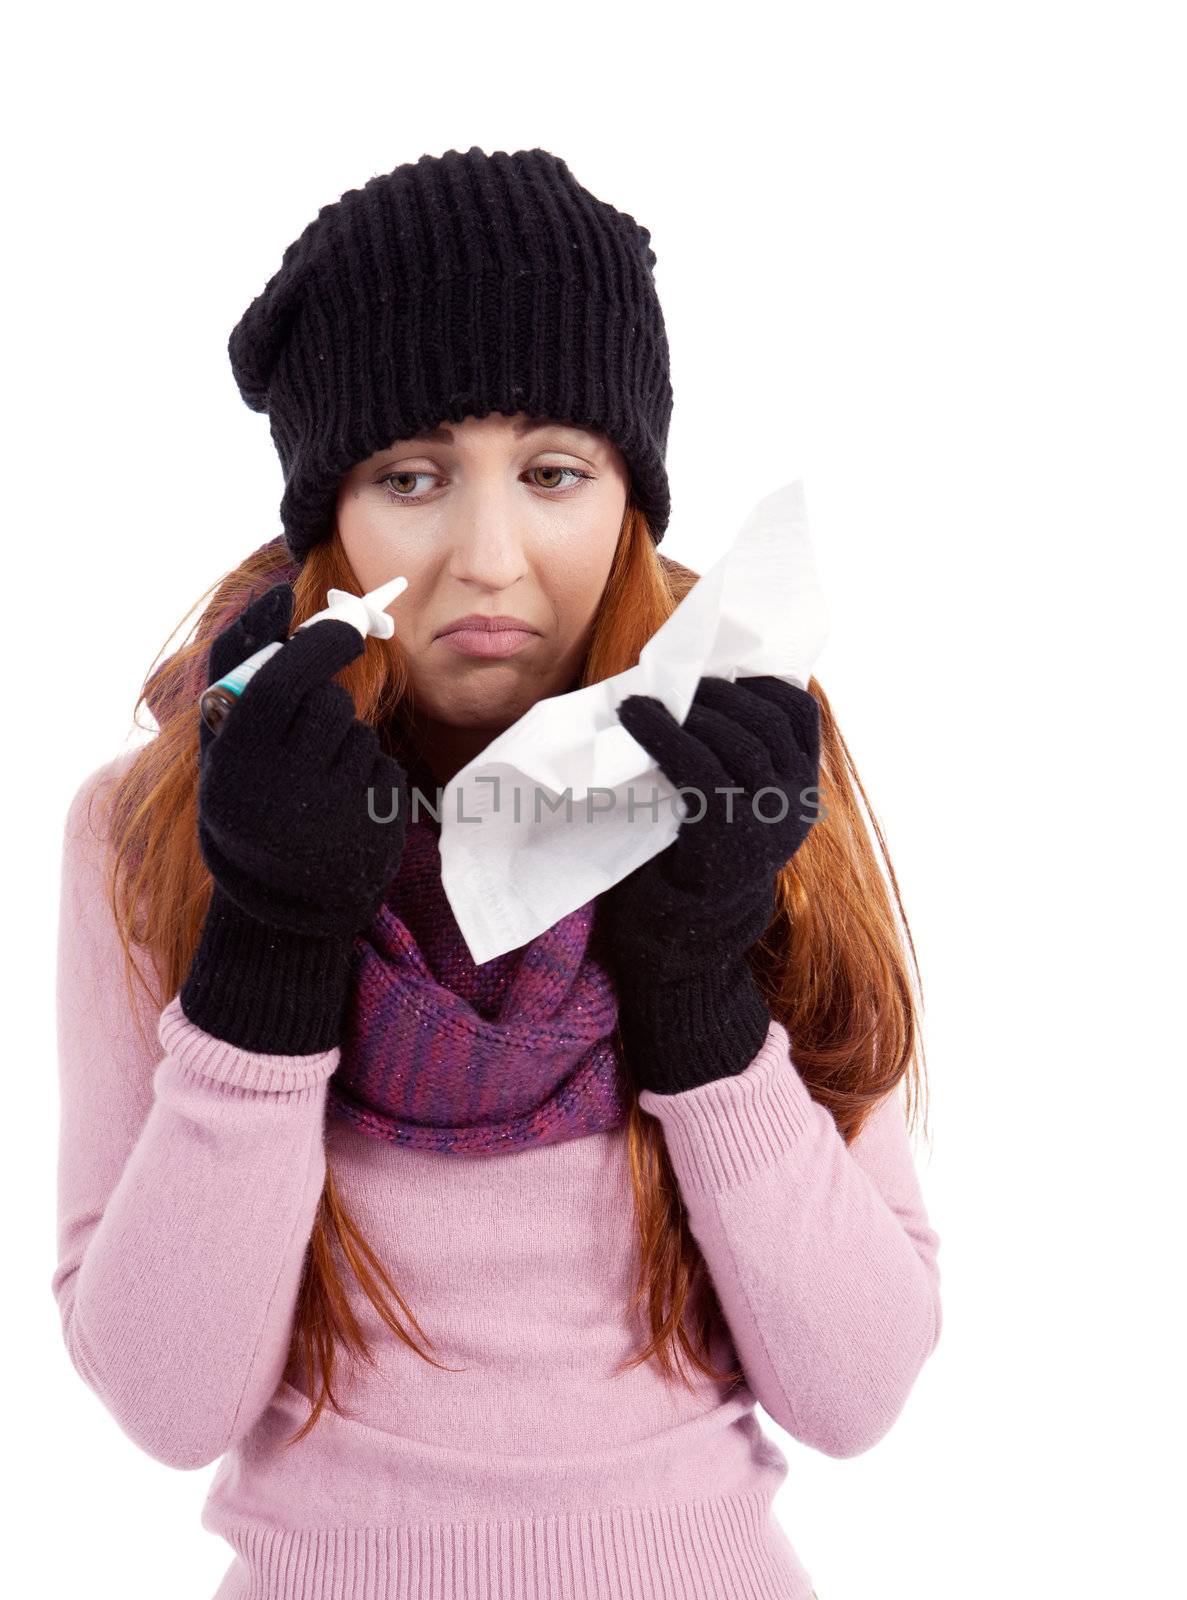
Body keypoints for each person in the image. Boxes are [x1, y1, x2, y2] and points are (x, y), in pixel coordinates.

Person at [51, 145, 941, 1600]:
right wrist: (271, 947)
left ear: (629, 497)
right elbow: (166, 1400)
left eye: (552, 473)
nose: (488, 553)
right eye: (411, 477)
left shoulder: (741, 784)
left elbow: (857, 1387)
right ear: (329, 516)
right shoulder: (158, 829)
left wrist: (697, 981)